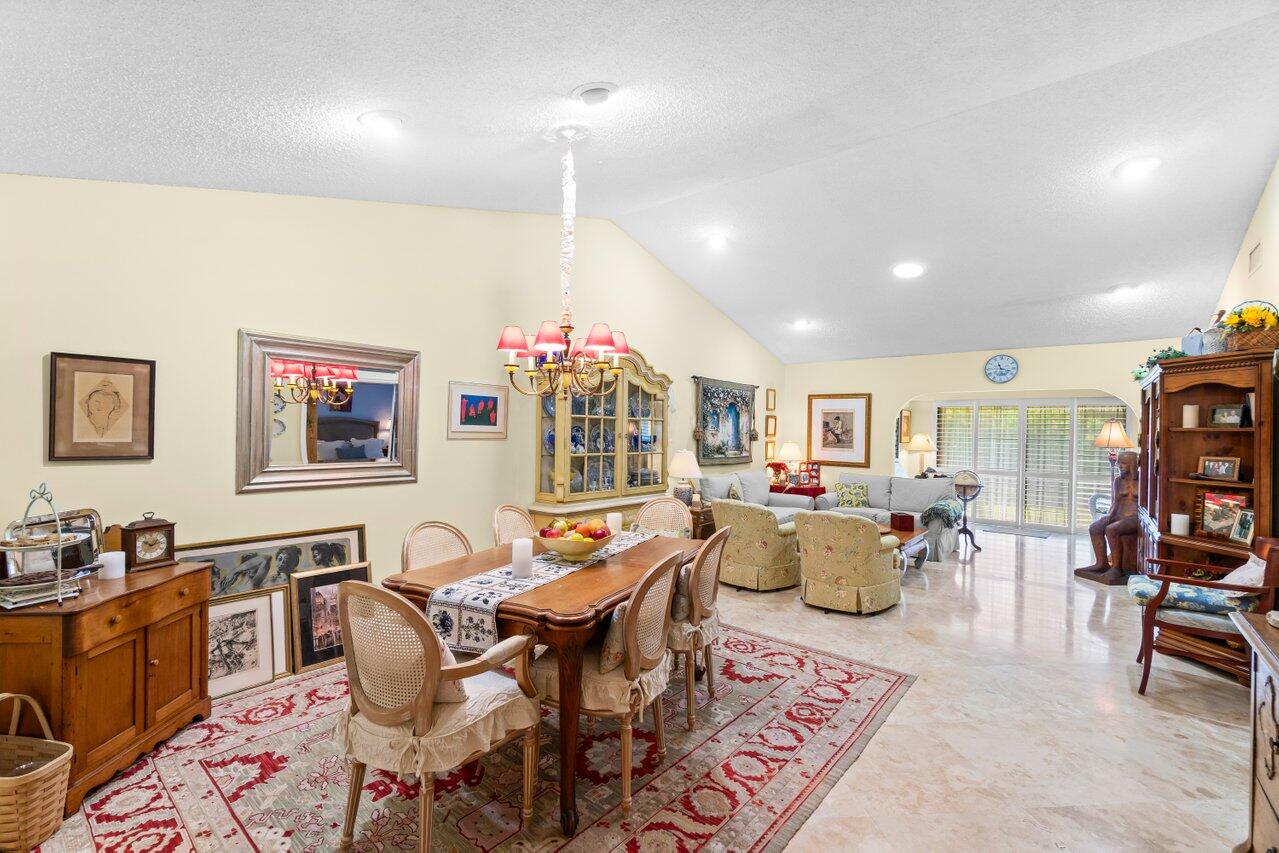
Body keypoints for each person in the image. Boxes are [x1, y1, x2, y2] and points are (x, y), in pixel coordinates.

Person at [1075, 451, 1140, 585]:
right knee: (1095, 527)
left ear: (1132, 464)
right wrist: (1109, 516)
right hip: (1118, 515)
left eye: (1123, 463)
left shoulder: (1144, 481)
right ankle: (1101, 563)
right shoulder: (1118, 481)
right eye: (1119, 463)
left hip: (1135, 518)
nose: (1119, 465)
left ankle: (1116, 568)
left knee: (1111, 530)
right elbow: (1115, 503)